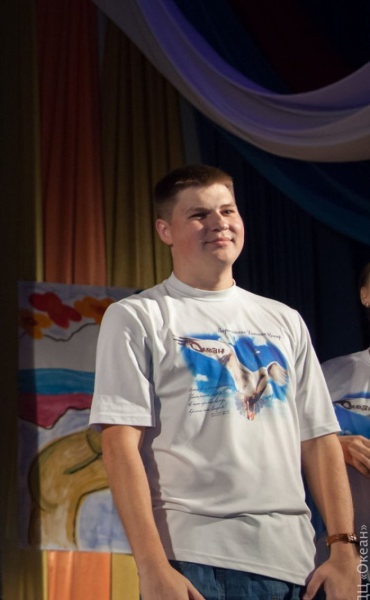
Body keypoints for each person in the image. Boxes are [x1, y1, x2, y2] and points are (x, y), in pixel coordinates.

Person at [89, 165, 360, 600]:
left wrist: (344, 550)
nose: (219, 223)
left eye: (227, 210)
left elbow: (319, 440)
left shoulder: (284, 319)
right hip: (195, 561)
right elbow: (120, 446)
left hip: (294, 563)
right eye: (199, 215)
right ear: (165, 230)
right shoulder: (138, 317)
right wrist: (152, 566)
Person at [312, 262, 370, 565]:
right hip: (339, 557)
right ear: (365, 294)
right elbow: (282, 446)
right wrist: (334, 446)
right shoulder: (328, 375)